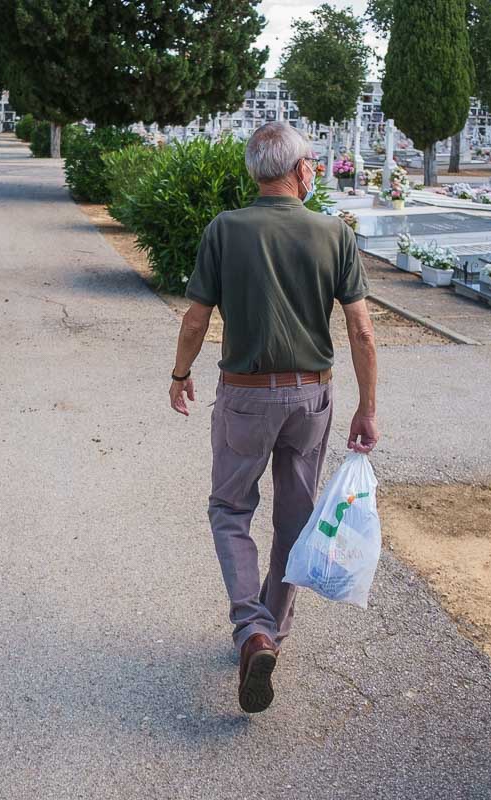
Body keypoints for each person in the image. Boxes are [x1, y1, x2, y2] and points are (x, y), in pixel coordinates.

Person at [167, 122, 379, 714]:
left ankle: (251, 629)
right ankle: (270, 636)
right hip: (311, 397)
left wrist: (181, 375)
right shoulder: (334, 234)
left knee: (230, 509)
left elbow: (195, 319)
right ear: (300, 169)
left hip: (244, 395)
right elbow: (361, 329)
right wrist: (367, 406)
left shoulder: (225, 229)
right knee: (296, 518)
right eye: (312, 162)